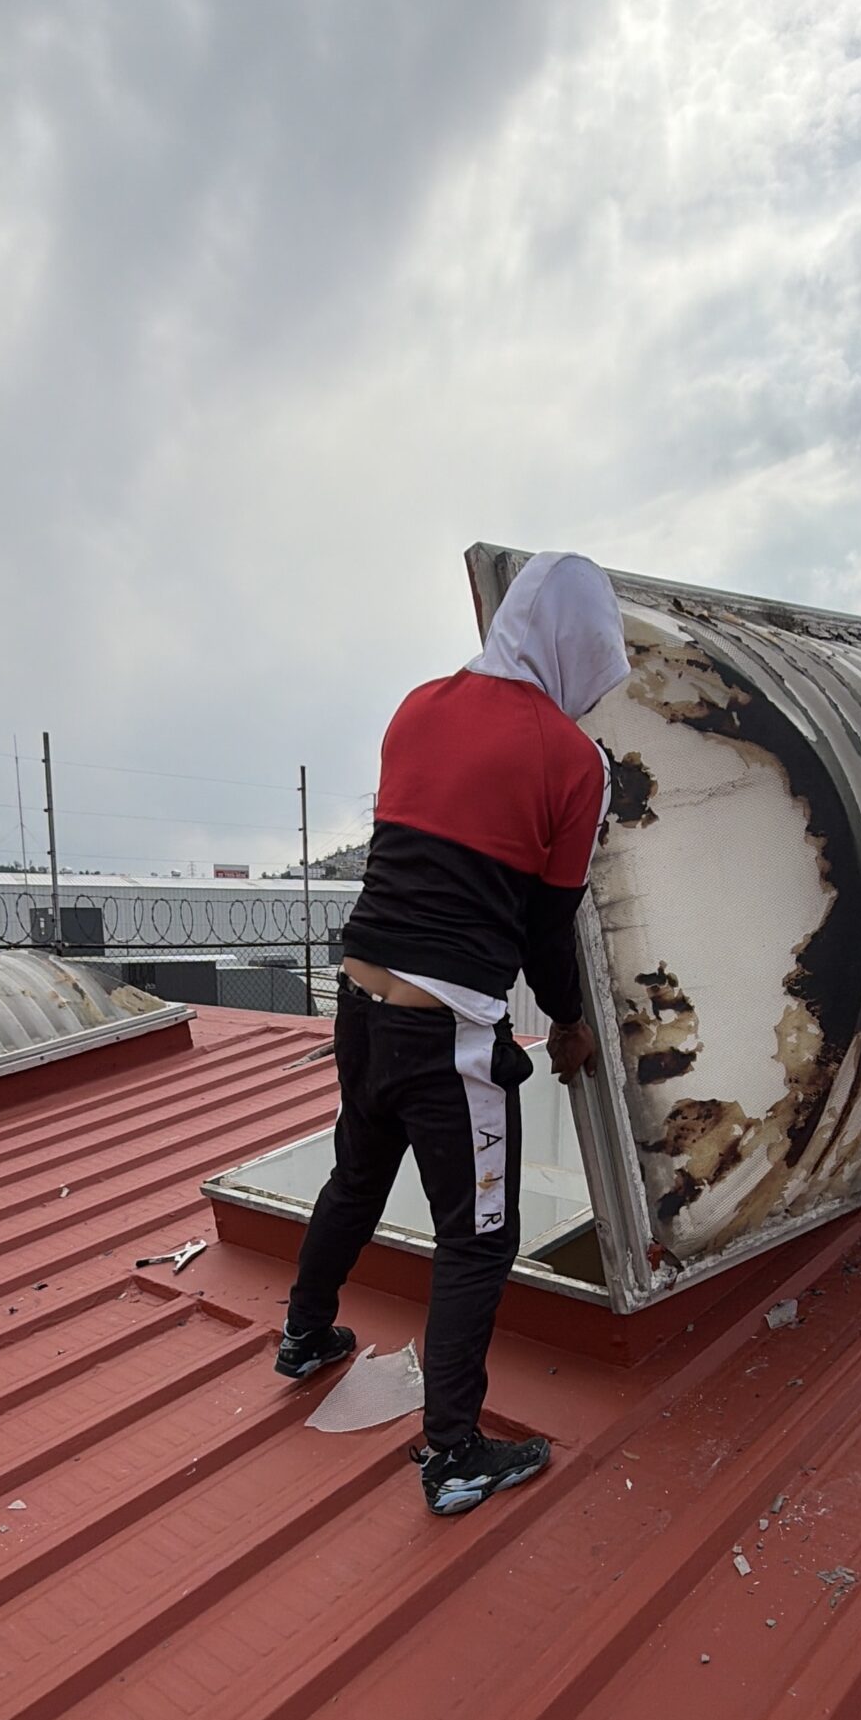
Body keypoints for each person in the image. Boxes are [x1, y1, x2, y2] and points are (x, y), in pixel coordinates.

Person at [274, 551, 629, 1516]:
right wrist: (569, 1022)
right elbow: (548, 927)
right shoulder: (572, 760)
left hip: (359, 1002)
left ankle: (305, 1336)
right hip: (451, 1037)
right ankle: (456, 1453)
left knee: (357, 1171)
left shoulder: (418, 704)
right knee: (478, 1236)